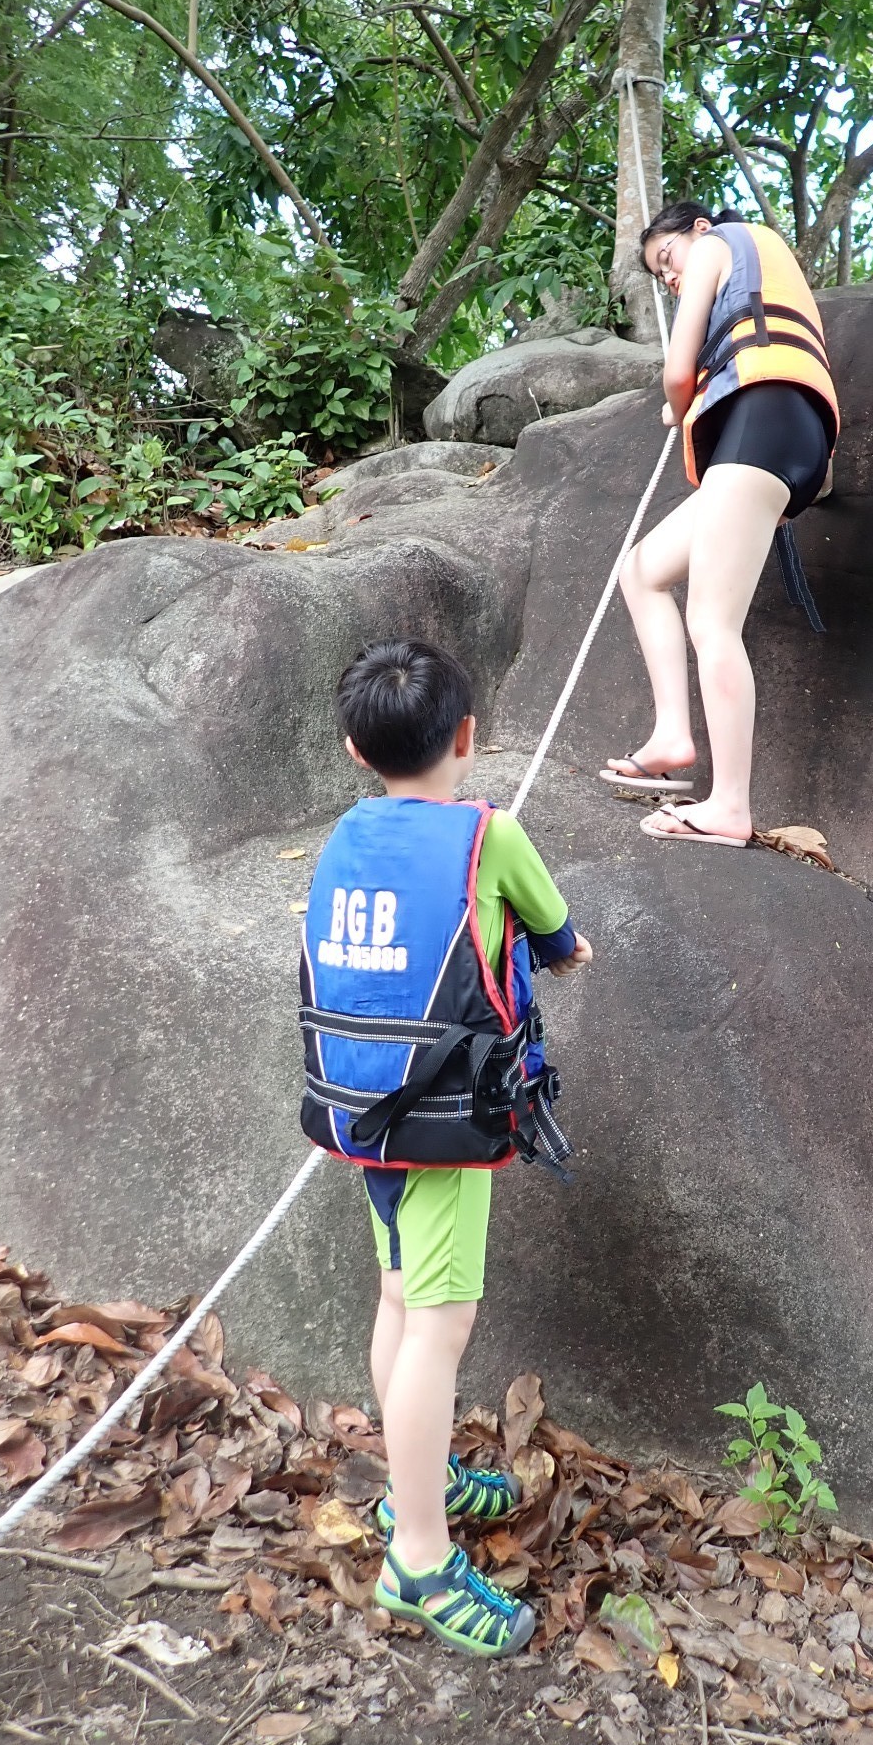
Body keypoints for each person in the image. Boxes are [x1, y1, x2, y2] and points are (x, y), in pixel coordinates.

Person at [298, 638, 592, 1659]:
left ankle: (406, 1487)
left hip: (357, 1111)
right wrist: (561, 948)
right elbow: (558, 935)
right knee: (439, 1325)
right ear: (467, 737)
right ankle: (419, 1557)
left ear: (353, 747)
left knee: (396, 1299)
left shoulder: (342, 833)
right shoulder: (490, 833)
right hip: (447, 1128)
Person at [602, 203, 840, 847]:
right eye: (662, 274)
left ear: (696, 232)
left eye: (667, 261)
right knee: (643, 569)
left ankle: (730, 805)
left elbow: (678, 370)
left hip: (763, 420)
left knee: (711, 621)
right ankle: (673, 735)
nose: (672, 278)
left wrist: (677, 406)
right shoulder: (759, 260)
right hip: (778, 432)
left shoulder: (716, 246)